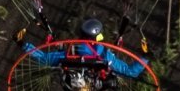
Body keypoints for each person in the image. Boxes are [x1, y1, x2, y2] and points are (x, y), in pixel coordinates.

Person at [20, 17, 150, 78]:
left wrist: (23, 44)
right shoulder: (104, 53)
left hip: (75, 72)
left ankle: (21, 42)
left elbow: (43, 58)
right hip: (100, 67)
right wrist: (145, 57)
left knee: (45, 58)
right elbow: (131, 72)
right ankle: (146, 57)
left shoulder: (71, 51)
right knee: (128, 71)